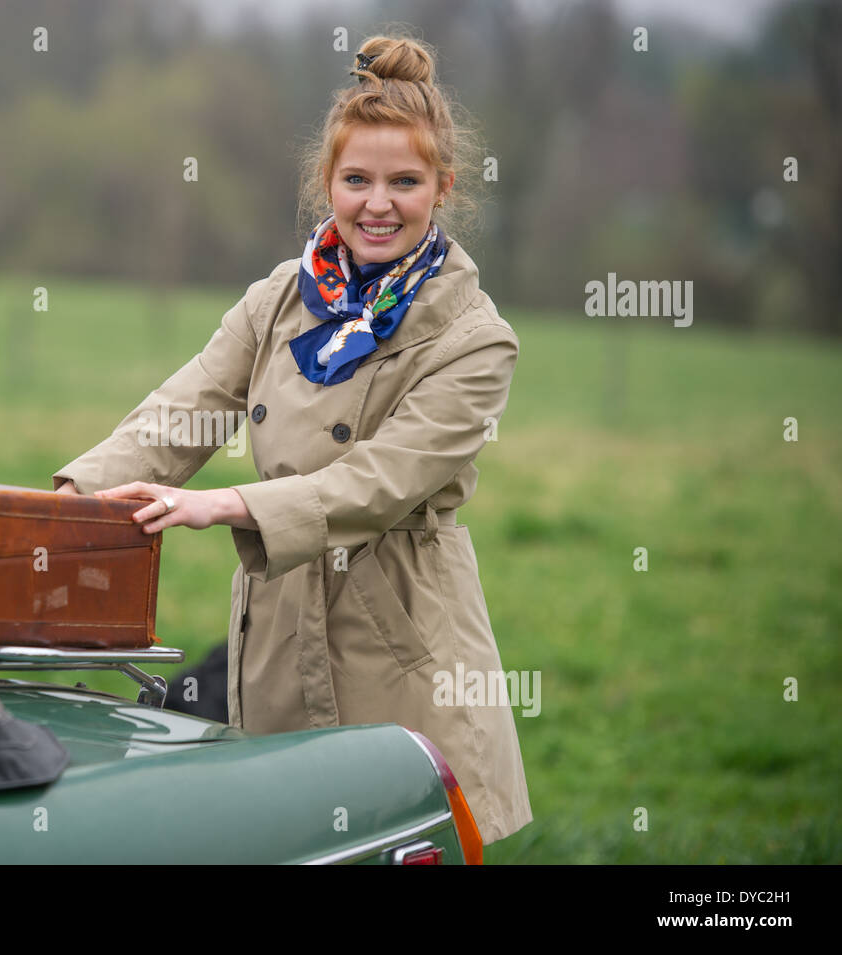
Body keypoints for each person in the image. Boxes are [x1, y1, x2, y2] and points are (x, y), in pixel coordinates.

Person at [52, 34, 532, 845]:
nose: (377, 203)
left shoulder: (478, 342)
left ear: (443, 188)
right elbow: (187, 406)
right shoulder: (282, 296)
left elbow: (376, 484)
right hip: (274, 639)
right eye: (357, 180)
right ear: (327, 185)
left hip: (402, 651)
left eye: (404, 182)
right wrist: (66, 505)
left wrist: (224, 505)